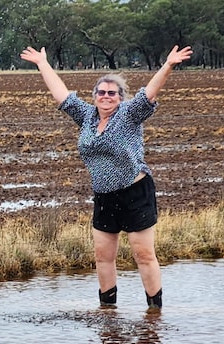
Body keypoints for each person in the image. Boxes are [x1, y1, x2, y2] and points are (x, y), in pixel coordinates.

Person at [20, 45, 193, 311]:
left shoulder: (128, 115)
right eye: (101, 92)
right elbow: (62, 96)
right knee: (103, 257)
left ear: (120, 98)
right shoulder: (86, 116)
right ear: (95, 97)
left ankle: (154, 313)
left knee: (143, 255)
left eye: (112, 93)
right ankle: (107, 312)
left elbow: (149, 93)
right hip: (104, 195)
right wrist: (42, 63)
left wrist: (168, 65)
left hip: (135, 192)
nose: (106, 96)